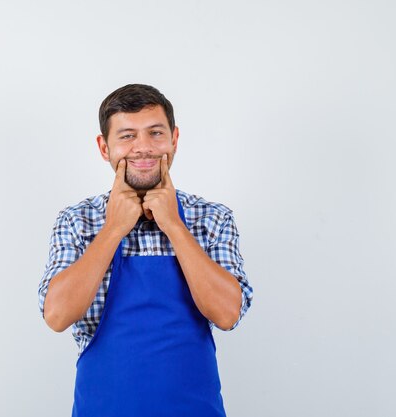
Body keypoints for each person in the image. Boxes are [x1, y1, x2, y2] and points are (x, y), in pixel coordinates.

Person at [38, 84, 253, 416]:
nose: (143, 148)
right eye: (127, 136)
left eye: (155, 133)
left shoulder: (211, 219)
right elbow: (56, 316)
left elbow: (227, 315)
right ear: (103, 146)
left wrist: (174, 226)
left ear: (174, 139)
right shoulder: (78, 221)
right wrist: (113, 229)